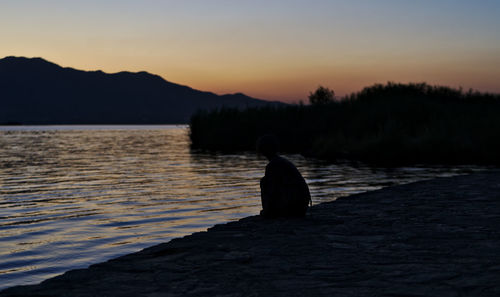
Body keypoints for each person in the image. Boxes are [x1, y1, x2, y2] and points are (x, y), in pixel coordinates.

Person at [257, 135, 311, 218]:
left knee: (264, 182)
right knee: (266, 181)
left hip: (296, 208)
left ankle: (268, 212)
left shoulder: (273, 165)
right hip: (301, 206)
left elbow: (273, 190)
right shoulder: (282, 161)